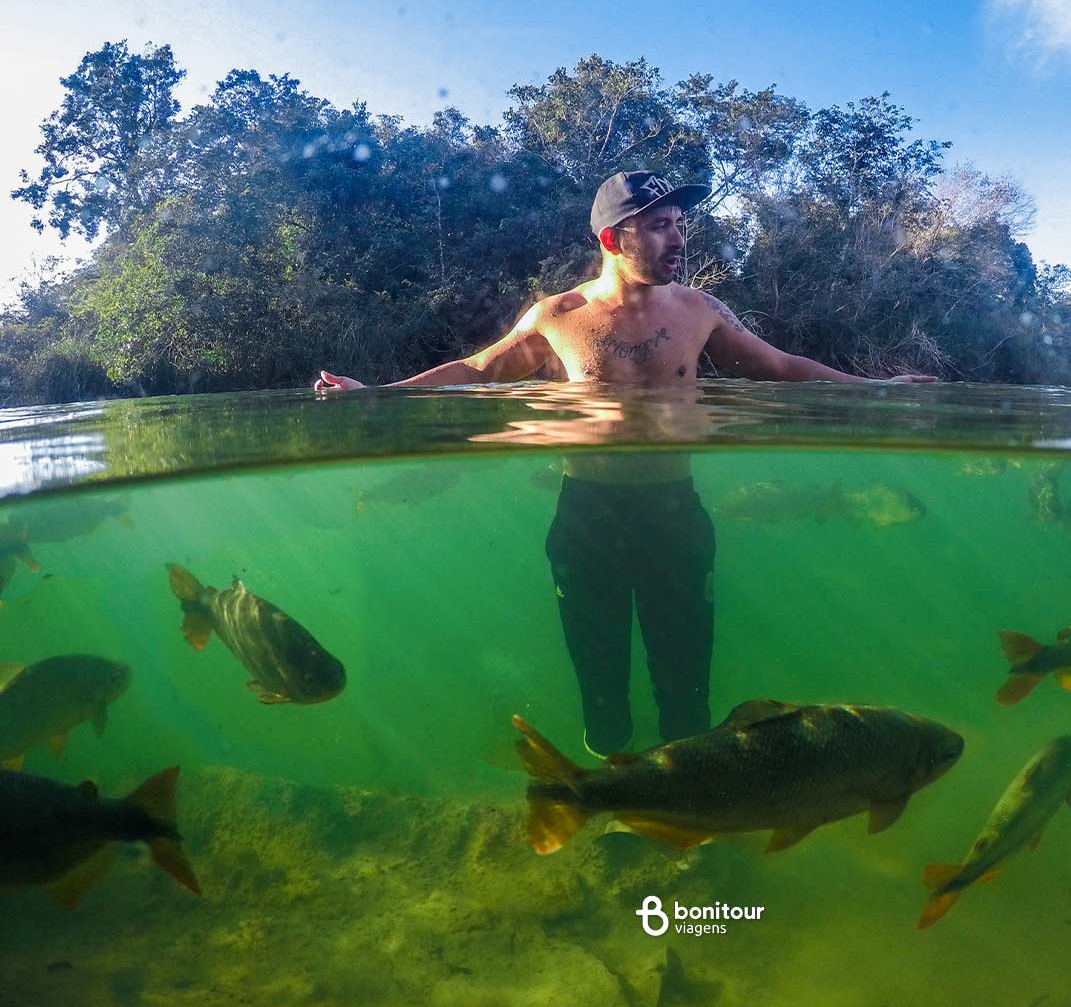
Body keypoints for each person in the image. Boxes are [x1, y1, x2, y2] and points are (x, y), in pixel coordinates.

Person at [315, 170, 936, 756]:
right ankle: (610, 800)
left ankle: (687, 807)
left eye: (679, 222)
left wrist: (875, 389)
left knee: (686, 687)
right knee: (601, 691)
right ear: (615, 239)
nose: (680, 237)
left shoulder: (699, 310)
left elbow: (776, 368)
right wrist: (376, 396)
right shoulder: (557, 317)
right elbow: (478, 371)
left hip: (675, 516)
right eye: (661, 224)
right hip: (588, 519)